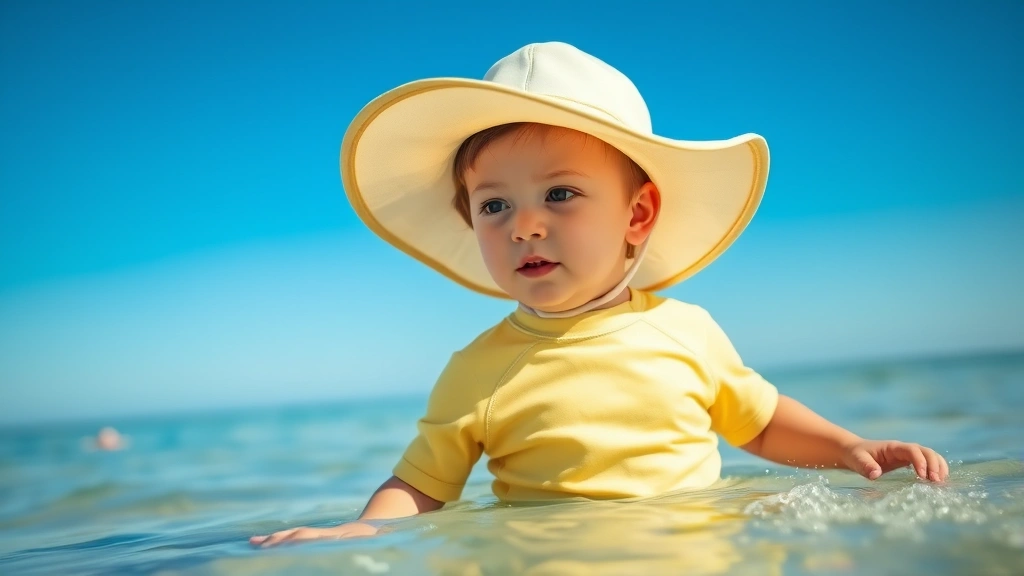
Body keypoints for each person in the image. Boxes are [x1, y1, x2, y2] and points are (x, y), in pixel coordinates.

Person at [251, 42, 948, 547]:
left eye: (560, 193)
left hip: (692, 554)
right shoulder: (478, 369)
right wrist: (361, 530)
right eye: (494, 206)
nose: (524, 223)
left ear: (637, 216)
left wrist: (848, 444)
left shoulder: (687, 331)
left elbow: (759, 422)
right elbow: (425, 485)